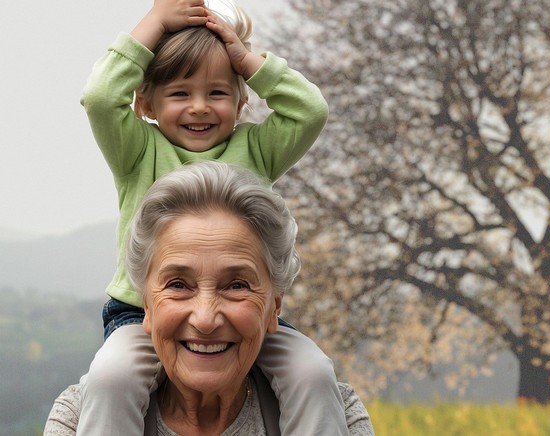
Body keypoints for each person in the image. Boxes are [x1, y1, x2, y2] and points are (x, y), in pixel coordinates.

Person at [78, 0, 346, 433]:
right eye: (180, 93)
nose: (200, 107)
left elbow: (310, 111)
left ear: (242, 103)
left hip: (245, 315)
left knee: (312, 373)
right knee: (113, 379)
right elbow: (100, 97)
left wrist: (250, 63)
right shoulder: (137, 152)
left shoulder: (258, 150)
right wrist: (155, 21)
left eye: (217, 93)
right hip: (141, 314)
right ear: (145, 102)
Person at [45, 162, 373, 435]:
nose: (204, 319)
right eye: (177, 284)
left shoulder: (338, 416)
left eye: (236, 286)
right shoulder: (78, 420)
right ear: (146, 305)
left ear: (275, 306)